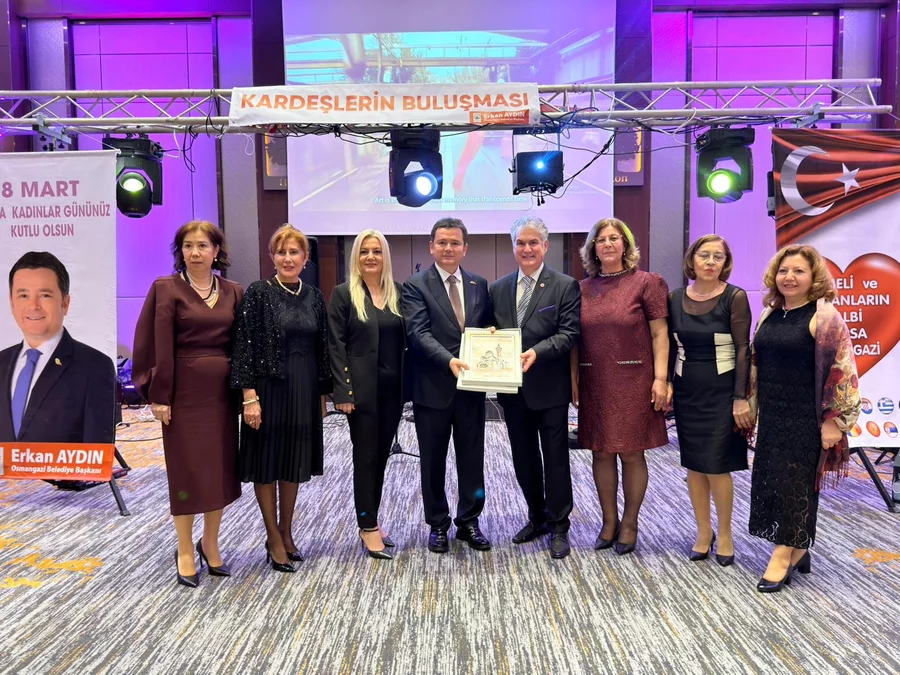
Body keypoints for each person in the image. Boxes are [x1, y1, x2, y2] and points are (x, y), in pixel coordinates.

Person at [132, 221, 244, 588]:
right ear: (180, 251)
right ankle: (184, 547)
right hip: (182, 397)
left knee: (218, 471)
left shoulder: (233, 291)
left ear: (216, 251)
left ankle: (210, 542)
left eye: (202, 246)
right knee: (187, 473)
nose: (195, 252)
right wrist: (158, 394)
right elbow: (152, 343)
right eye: (188, 246)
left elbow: (241, 347)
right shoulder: (165, 289)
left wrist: (246, 393)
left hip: (221, 397)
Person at [748, 244, 860, 593]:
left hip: (806, 419)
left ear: (814, 277)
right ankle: (799, 547)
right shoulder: (770, 313)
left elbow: (843, 370)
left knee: (795, 485)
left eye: (799, 271)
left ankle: (784, 554)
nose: (789, 277)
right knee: (774, 481)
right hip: (773, 415)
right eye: (784, 271)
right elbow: (757, 363)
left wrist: (834, 422)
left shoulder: (824, 316)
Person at [231, 224, 331, 574]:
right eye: (281, 252)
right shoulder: (258, 293)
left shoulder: (314, 296)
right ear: (271, 256)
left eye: (294, 252)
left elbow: (322, 348)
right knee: (268, 463)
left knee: (294, 462)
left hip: (303, 389)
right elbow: (242, 346)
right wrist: (248, 397)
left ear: (305, 257)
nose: (288, 258)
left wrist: (322, 393)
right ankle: (272, 536)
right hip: (268, 390)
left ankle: (287, 532)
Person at [571, 218, 669, 556]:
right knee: (600, 451)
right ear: (593, 249)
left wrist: (660, 379)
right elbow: (574, 340)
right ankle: (608, 521)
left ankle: (630, 523)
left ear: (625, 244)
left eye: (615, 238)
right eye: (601, 240)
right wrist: (574, 380)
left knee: (630, 452)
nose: (608, 244)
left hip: (635, 381)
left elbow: (660, 334)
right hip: (595, 380)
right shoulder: (581, 289)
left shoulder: (647, 283)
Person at [490, 216, 580, 559]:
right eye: (520, 243)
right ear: (513, 246)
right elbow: (490, 329)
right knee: (523, 458)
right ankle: (537, 517)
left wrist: (537, 352)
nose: (526, 249)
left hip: (549, 389)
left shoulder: (565, 286)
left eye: (533, 243)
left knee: (555, 459)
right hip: (512, 391)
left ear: (545, 246)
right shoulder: (498, 288)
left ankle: (559, 526)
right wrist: (490, 336)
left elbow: (569, 333)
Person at [402, 218, 494, 554]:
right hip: (432, 390)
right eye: (442, 242)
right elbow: (418, 333)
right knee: (433, 461)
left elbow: (486, 327)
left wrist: (492, 336)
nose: (448, 248)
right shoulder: (415, 285)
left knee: (472, 459)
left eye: (455, 243)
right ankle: (437, 524)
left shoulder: (479, 284)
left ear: (465, 248)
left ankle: (469, 521)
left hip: (471, 390)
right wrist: (449, 361)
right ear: (431, 246)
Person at [668, 235, 753, 566]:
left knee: (717, 465)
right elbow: (671, 345)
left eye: (718, 257)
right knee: (694, 465)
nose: (710, 262)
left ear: (725, 263)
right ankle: (704, 531)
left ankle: (726, 534)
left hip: (722, 393)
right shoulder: (675, 297)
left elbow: (743, 349)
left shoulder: (735, 297)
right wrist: (666, 383)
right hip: (687, 391)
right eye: (705, 255)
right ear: (692, 259)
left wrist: (740, 397)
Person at [1, 252, 116, 481]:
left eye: (45, 295)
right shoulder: (1, 362)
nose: (33, 306)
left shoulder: (95, 366)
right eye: (23, 295)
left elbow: (96, 459)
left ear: (65, 303)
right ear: (12, 303)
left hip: (63, 497)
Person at [328, 229, 407, 560]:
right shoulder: (344, 294)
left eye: (376, 251)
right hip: (360, 393)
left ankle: (372, 518)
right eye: (364, 251)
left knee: (382, 457)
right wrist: (343, 391)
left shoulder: (397, 293)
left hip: (393, 392)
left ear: (385, 256)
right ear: (356, 258)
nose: (370, 257)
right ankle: (367, 526)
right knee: (365, 458)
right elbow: (335, 346)